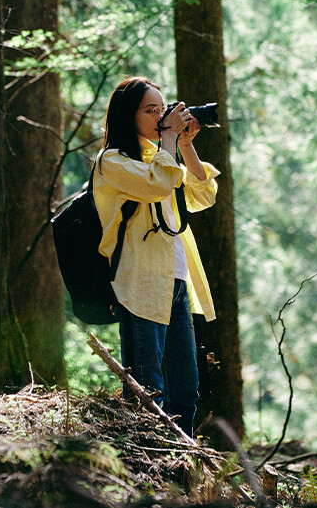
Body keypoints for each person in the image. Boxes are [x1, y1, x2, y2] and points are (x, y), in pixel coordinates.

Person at [93, 76, 219, 435]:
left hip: (177, 283)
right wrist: (168, 141)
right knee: (149, 390)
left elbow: (202, 195)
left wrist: (185, 145)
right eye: (151, 111)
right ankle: (151, 469)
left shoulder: (157, 157)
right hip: (141, 283)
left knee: (186, 390)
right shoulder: (113, 162)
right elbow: (157, 184)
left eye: (162, 110)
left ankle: (182, 469)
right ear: (126, 115)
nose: (160, 117)